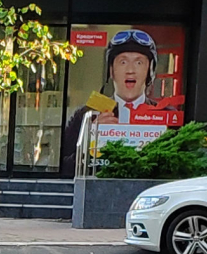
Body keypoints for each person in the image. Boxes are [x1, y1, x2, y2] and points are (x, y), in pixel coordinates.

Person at [60, 30, 182, 177]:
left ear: (150, 71)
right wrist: (90, 139)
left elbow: (181, 168)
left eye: (139, 62)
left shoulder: (167, 115)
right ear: (112, 71)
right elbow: (63, 168)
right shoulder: (87, 114)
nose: (130, 70)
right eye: (123, 62)